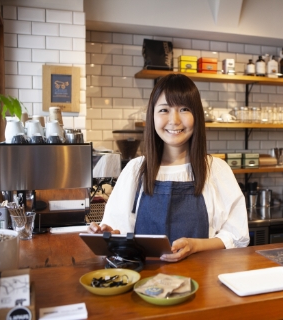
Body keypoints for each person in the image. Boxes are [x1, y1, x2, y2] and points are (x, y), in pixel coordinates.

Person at [88, 73, 250, 262]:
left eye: (184, 109)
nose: (174, 120)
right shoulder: (135, 170)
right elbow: (117, 230)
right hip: (144, 284)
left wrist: (195, 245)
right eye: (164, 110)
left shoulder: (216, 169)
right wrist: (108, 234)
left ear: (196, 115)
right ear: (152, 116)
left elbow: (237, 235)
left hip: (203, 282)